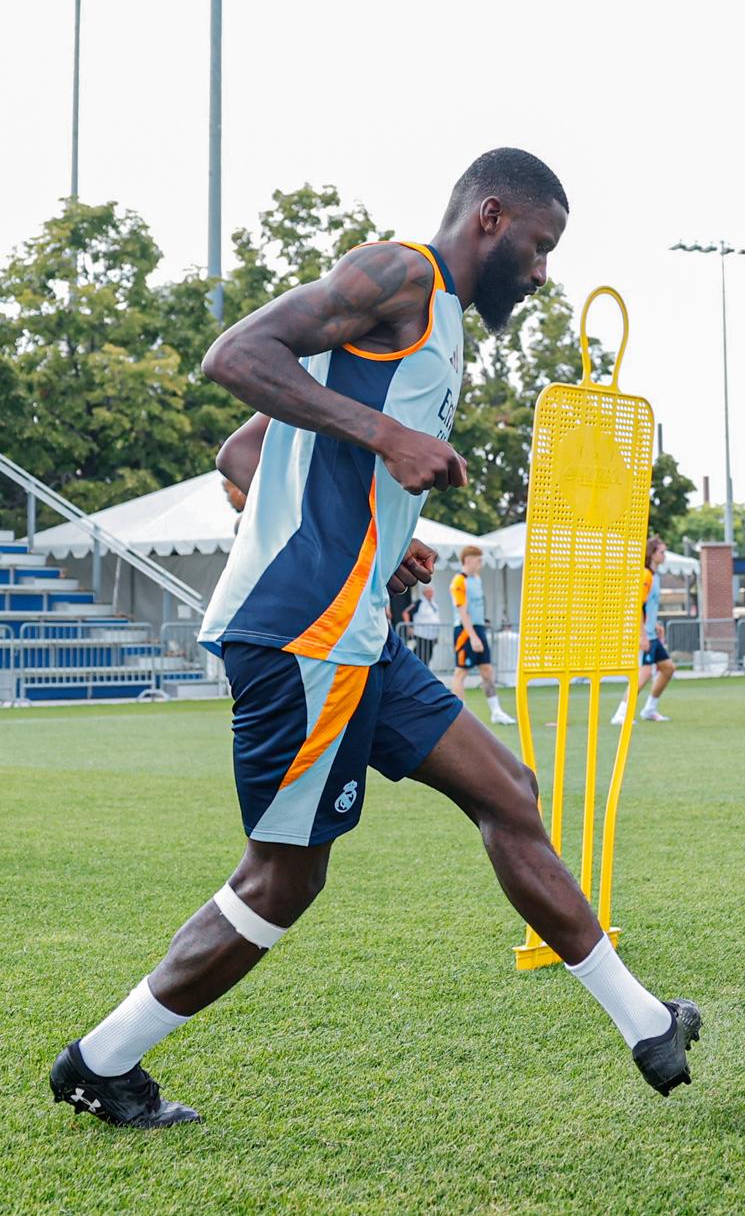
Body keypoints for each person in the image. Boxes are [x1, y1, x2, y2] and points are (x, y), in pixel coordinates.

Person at [49, 148, 700, 1129]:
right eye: (539, 244)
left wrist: (376, 536)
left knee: (505, 791)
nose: (542, 270)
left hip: (362, 635)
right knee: (280, 883)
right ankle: (101, 1062)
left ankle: (648, 1024)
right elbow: (233, 360)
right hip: (304, 629)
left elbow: (248, 457)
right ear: (490, 216)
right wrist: (385, 442)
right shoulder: (398, 275)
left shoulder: (438, 329)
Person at [612, 536, 677, 725]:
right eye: (662, 552)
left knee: (667, 669)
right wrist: (642, 635)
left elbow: (649, 606)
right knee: (645, 673)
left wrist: (655, 625)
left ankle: (649, 709)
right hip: (643, 635)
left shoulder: (655, 577)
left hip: (650, 633)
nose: (664, 555)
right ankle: (621, 713)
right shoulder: (645, 575)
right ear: (652, 554)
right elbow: (636, 607)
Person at [450, 545, 514, 724]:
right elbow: (463, 612)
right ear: (468, 560)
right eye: (479, 560)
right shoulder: (458, 581)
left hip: (478, 628)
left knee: (487, 670)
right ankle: (460, 717)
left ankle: (496, 711)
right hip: (464, 631)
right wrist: (473, 636)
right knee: (461, 672)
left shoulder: (477, 579)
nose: (481, 564)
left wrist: (479, 632)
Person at [404, 583, 440, 667]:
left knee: (428, 657)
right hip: (421, 635)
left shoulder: (434, 604)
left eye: (432, 592)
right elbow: (406, 612)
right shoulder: (419, 602)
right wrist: (409, 627)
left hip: (432, 636)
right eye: (429, 592)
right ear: (425, 592)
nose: (431, 594)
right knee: (420, 657)